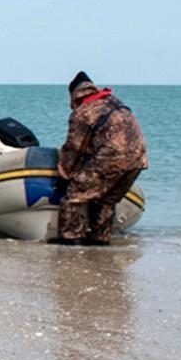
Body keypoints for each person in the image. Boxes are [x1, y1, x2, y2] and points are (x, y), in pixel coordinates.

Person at [53, 71, 147, 245]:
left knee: (75, 195)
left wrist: (65, 175)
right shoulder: (113, 102)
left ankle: (70, 240)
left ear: (74, 94)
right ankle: (100, 241)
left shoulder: (83, 112)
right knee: (107, 200)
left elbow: (74, 148)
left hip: (111, 158)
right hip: (138, 159)